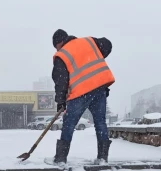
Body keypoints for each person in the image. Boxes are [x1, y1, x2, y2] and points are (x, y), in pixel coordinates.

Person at [44, 29, 115, 167]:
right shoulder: (88, 41)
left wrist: (60, 102)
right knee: (100, 123)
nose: (56, 49)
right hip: (99, 89)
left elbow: (61, 80)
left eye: (56, 46)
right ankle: (102, 158)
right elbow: (107, 44)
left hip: (80, 93)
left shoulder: (62, 55)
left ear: (59, 42)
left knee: (69, 124)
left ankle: (60, 159)